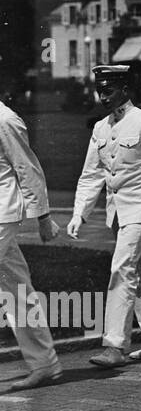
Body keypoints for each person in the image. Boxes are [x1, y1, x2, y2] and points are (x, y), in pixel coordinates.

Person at [70, 64, 141, 368]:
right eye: (99, 90)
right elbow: (91, 175)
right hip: (118, 213)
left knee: (121, 270)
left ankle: (114, 345)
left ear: (125, 90)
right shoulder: (101, 128)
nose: (103, 97)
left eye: (109, 90)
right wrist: (80, 212)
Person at [0, 96, 63, 390]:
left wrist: (43, 218)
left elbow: (27, 168)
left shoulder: (6, 120)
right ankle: (45, 364)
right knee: (17, 289)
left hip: (3, 213)